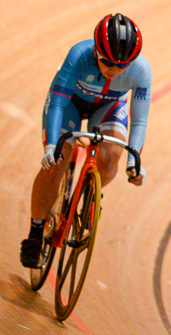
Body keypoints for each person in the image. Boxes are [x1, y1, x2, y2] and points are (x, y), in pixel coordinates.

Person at [20, 13, 151, 268]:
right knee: (57, 161)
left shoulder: (142, 71)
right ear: (96, 52)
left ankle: (92, 190)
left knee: (111, 154)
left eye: (121, 66)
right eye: (107, 62)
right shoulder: (78, 55)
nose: (114, 70)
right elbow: (58, 101)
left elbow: (139, 122)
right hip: (69, 103)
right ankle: (36, 233)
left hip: (108, 107)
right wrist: (50, 146)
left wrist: (134, 162)